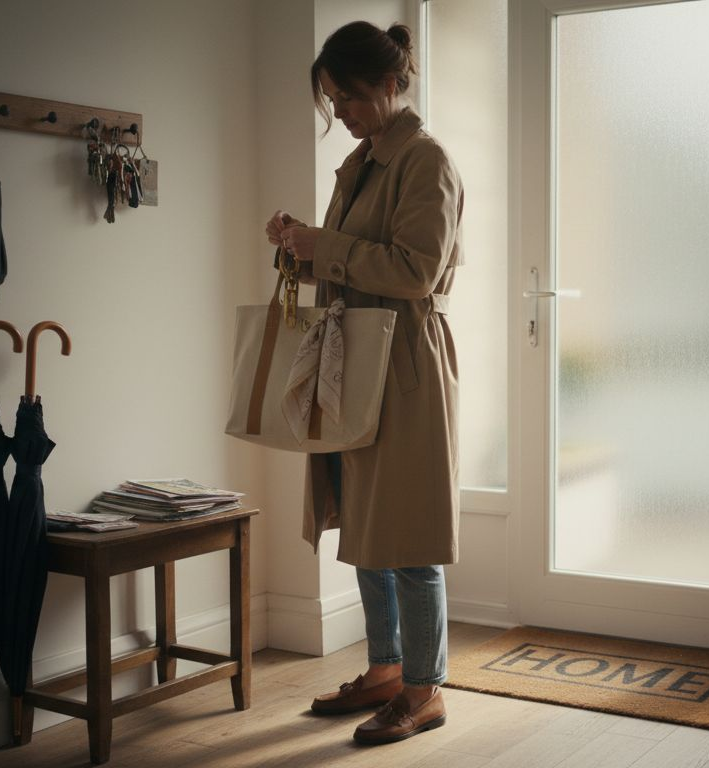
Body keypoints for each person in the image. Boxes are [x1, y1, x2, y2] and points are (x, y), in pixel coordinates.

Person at [263, 20, 464, 745]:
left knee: (407, 533)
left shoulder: (425, 160)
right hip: (357, 353)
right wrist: (298, 250)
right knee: (365, 524)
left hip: (404, 360)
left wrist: (329, 248)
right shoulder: (363, 162)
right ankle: (385, 671)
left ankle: (425, 686)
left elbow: (413, 271)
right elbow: (349, 262)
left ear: (388, 82)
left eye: (346, 96)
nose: (339, 113)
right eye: (331, 101)